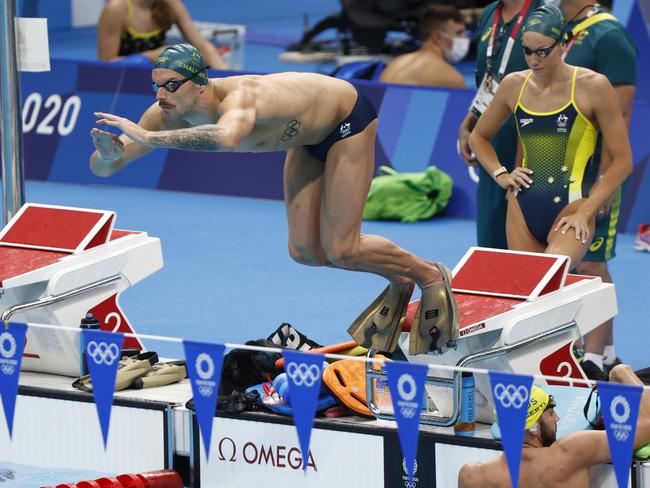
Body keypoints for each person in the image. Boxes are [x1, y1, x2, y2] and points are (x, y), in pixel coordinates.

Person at [88, 43, 458, 356]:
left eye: (170, 85)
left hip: (346, 118)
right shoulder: (164, 114)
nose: (160, 96)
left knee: (342, 248)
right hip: (306, 138)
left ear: (200, 83)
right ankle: (399, 277)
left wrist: (149, 140)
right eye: (156, 86)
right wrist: (108, 156)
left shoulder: (241, 97)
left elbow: (226, 137)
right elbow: (105, 168)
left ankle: (427, 275)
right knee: (306, 252)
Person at [468, 5, 632, 269]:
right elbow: (478, 138)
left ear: (562, 45)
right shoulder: (514, 85)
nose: (534, 60)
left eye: (543, 51)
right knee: (529, 293)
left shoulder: (593, 86)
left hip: (572, 208)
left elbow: (623, 160)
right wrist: (502, 175)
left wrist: (587, 211)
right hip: (522, 209)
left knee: (551, 279)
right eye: (528, 50)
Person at [558, 0, 638, 381]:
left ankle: (596, 355)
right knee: (571, 262)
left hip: (594, 172)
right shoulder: (566, 27)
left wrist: (602, 184)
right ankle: (604, 350)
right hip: (560, 167)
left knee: (590, 262)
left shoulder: (609, 35)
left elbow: (620, 116)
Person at [459, 364, 650, 488]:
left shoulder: (472, 476)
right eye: (550, 412)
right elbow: (647, 422)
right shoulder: (569, 452)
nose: (557, 418)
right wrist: (620, 372)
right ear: (534, 428)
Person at [457, 0, 545, 250]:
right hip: (492, 134)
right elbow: (489, 77)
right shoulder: (490, 12)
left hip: (533, 133)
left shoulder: (545, 10)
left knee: (526, 235)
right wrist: (470, 121)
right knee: (490, 233)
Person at [97, 0, 225, 69]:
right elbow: (105, 65)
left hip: (159, 77)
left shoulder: (171, 4)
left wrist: (229, 78)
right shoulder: (116, 8)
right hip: (122, 80)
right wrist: (150, 57)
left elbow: (204, 47)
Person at [379, 4, 468, 88]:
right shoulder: (451, 77)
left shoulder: (395, 63)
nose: (465, 38)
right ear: (438, 37)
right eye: (459, 33)